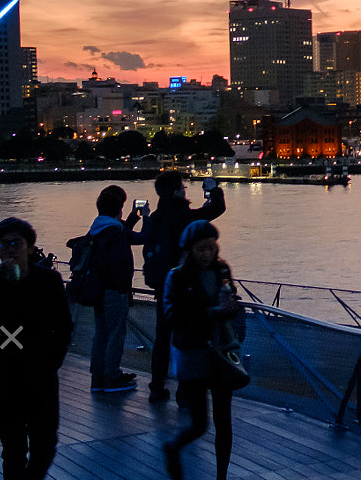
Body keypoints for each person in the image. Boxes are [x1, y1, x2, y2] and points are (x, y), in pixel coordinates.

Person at [0, 217, 73, 480]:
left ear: (29, 247)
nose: (8, 248)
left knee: (45, 444)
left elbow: (64, 325)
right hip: (4, 375)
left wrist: (54, 361)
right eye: (2, 244)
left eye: (14, 243)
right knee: (13, 448)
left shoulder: (50, 280)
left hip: (41, 374)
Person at [162, 221, 244, 480]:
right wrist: (212, 312)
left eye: (210, 248)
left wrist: (231, 307)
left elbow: (231, 303)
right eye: (201, 249)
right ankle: (173, 448)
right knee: (199, 424)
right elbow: (171, 315)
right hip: (193, 354)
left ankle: (222, 476)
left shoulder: (222, 270)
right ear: (190, 250)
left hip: (220, 353)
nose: (207, 254)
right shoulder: (177, 276)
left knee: (224, 421)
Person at [142, 171, 226, 402]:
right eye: (184, 187)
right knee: (187, 338)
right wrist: (213, 190)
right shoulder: (182, 216)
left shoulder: (157, 217)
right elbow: (215, 210)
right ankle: (185, 392)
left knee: (162, 336)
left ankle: (157, 387)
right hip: (186, 284)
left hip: (162, 284)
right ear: (178, 191)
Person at [87, 184, 146, 393]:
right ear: (119, 208)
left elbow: (123, 230)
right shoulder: (115, 233)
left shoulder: (98, 228)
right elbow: (140, 238)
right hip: (115, 290)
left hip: (98, 291)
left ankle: (98, 377)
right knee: (115, 333)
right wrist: (146, 217)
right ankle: (112, 376)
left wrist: (132, 218)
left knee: (101, 333)